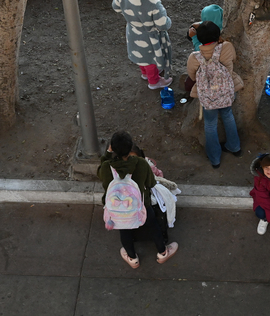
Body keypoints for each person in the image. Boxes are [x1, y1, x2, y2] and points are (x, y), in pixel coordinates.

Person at [97, 131, 178, 269]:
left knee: (125, 231)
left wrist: (107, 154)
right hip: (142, 205)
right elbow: (151, 183)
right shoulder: (141, 163)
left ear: (112, 148)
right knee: (154, 227)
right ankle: (162, 253)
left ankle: (132, 258)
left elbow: (100, 174)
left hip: (118, 210)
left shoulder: (106, 167)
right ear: (130, 148)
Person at [186, 21, 244, 168]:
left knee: (210, 124)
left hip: (208, 98)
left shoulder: (194, 57)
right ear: (218, 35)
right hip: (226, 92)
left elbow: (192, 76)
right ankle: (235, 147)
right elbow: (234, 60)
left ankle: (215, 159)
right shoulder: (227, 47)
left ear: (199, 39)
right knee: (228, 115)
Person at [112, 0, 173, 89]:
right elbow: (162, 25)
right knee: (150, 58)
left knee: (140, 54)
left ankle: (145, 73)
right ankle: (154, 81)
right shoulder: (154, 3)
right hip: (151, 36)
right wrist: (169, 21)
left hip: (133, 31)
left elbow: (116, 7)